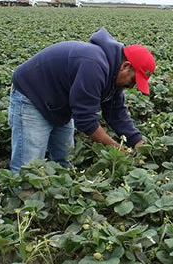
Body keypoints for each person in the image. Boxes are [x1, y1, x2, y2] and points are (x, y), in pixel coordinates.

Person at [8, 27, 155, 173]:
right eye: (133, 80)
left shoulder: (114, 75)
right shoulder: (94, 65)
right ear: (125, 66)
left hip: (58, 103)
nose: (131, 86)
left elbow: (116, 113)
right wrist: (118, 149)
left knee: (65, 159)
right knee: (27, 168)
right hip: (31, 97)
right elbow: (86, 121)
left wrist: (137, 141)